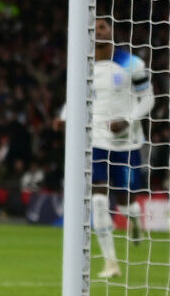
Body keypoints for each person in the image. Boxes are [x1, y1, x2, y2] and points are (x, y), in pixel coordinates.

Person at [54, 17, 154, 277]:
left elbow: (148, 99)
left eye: (103, 27)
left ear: (111, 32)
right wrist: (64, 117)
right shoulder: (82, 63)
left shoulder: (131, 63)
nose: (98, 31)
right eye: (94, 27)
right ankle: (111, 263)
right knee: (97, 198)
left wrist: (127, 120)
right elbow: (76, 96)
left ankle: (134, 221)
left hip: (126, 141)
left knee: (125, 200)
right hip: (95, 139)